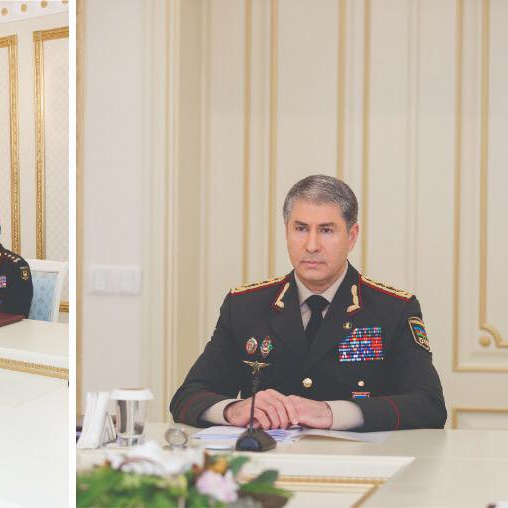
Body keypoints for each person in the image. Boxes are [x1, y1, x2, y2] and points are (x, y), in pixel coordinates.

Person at [170, 175, 446, 432]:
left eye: (326, 230)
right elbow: (188, 397)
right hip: (269, 460)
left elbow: (429, 405)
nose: (312, 245)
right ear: (287, 232)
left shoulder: (393, 309)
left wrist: (332, 412)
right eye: (301, 229)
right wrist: (234, 410)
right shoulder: (245, 306)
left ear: (352, 236)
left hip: (358, 462)